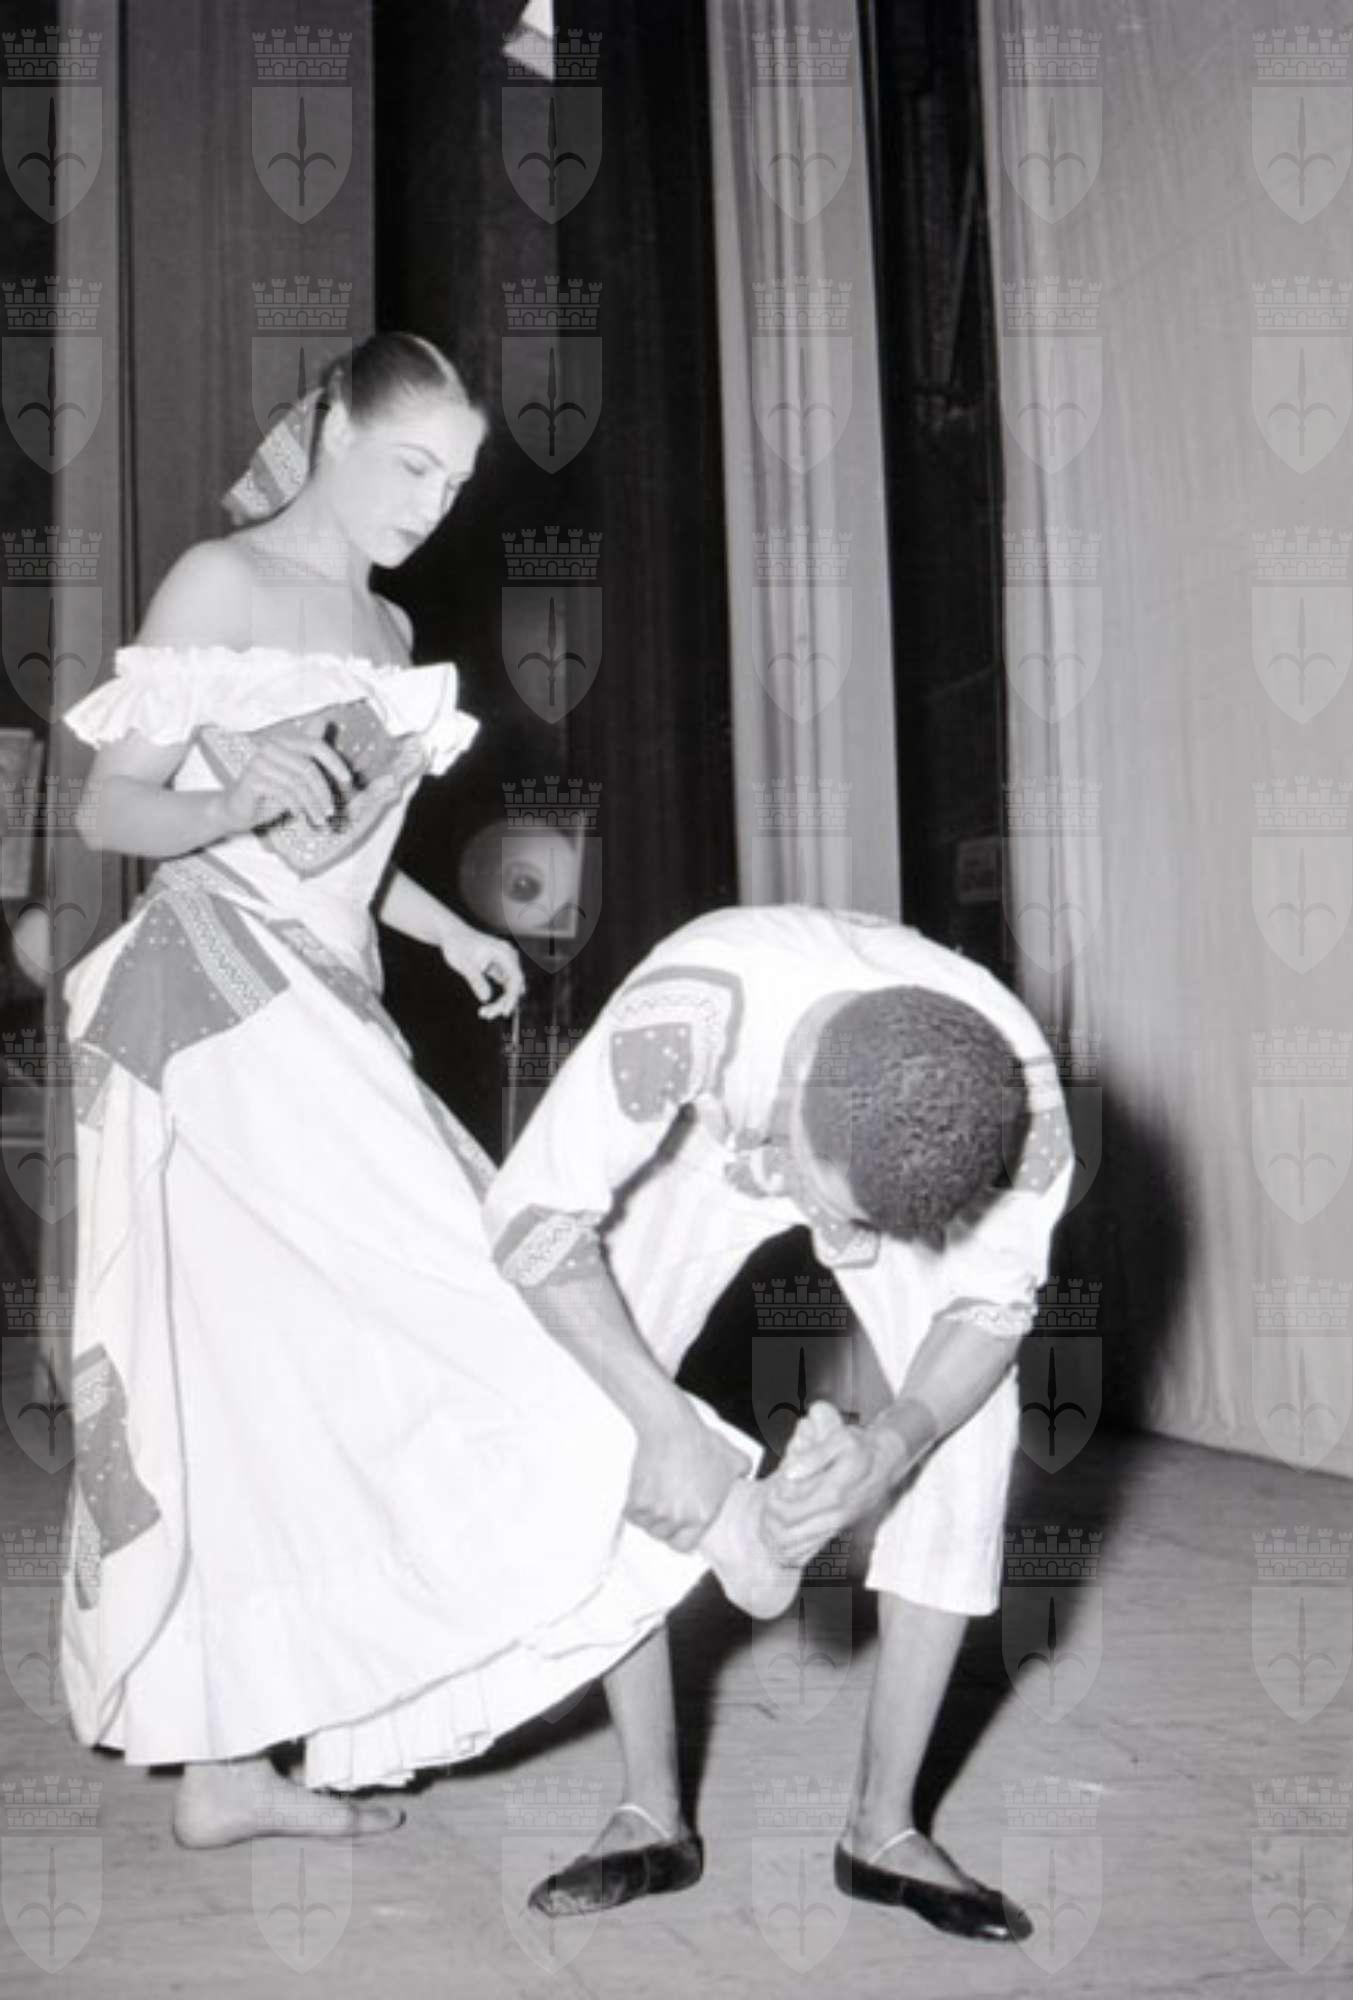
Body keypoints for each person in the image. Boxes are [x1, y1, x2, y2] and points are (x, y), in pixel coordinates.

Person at [58, 334, 785, 1850]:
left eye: (452, 484)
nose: (429, 506)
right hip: (218, 1002)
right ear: (331, 430)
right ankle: (705, 1490)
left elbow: (346, 847)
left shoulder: (389, 628)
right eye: (410, 467)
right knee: (469, 1280)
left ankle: (225, 1770)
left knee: (273, 1381)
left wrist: (449, 931)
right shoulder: (219, 582)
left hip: (328, 1001)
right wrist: (230, 793)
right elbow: (112, 808)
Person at [484, 902, 1074, 1939]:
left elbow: (991, 1307)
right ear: (795, 1081)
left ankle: (882, 1830)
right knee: (599, 1390)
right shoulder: (683, 1016)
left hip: (845, 1135)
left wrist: (892, 1445)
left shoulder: (1013, 1100)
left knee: (970, 1434)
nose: (832, 1234)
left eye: (860, 1222)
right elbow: (531, 1217)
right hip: (704, 1137)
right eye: (825, 1199)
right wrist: (661, 1419)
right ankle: (651, 1812)